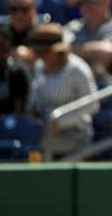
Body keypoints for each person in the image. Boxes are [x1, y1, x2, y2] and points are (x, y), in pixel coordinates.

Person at [28, 23, 99, 157]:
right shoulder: (39, 67)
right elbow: (35, 98)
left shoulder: (77, 69)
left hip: (76, 131)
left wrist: (59, 123)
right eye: (39, 53)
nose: (41, 57)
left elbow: (92, 105)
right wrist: (33, 113)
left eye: (45, 52)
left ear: (58, 51)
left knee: (38, 145)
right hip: (44, 128)